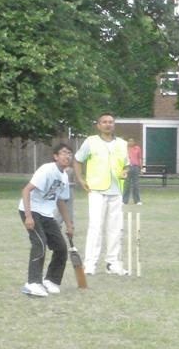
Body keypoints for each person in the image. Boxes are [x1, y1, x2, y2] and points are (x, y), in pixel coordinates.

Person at [73, 113, 129, 276]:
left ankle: (112, 263)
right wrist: (80, 178)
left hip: (116, 190)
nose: (107, 125)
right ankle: (90, 264)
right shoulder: (91, 142)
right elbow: (77, 159)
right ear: (98, 125)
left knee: (115, 228)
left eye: (110, 122)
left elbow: (126, 165)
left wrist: (125, 172)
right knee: (95, 227)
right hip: (96, 190)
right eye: (104, 122)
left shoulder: (122, 144)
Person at [18, 143, 74, 297]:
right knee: (40, 243)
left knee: (61, 247)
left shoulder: (64, 176)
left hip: (47, 214)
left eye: (69, 153)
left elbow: (60, 201)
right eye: (63, 153)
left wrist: (69, 224)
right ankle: (32, 283)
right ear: (56, 156)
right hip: (30, 210)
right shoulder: (47, 170)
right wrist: (28, 217)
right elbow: (26, 190)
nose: (67, 156)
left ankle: (50, 280)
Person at [122, 138, 143, 208]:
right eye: (129, 141)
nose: (131, 142)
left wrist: (141, 168)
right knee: (126, 185)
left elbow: (140, 158)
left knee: (135, 185)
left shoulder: (137, 148)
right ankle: (124, 201)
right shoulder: (125, 149)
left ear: (134, 142)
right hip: (127, 167)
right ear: (127, 142)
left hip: (135, 167)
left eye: (132, 141)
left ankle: (137, 200)